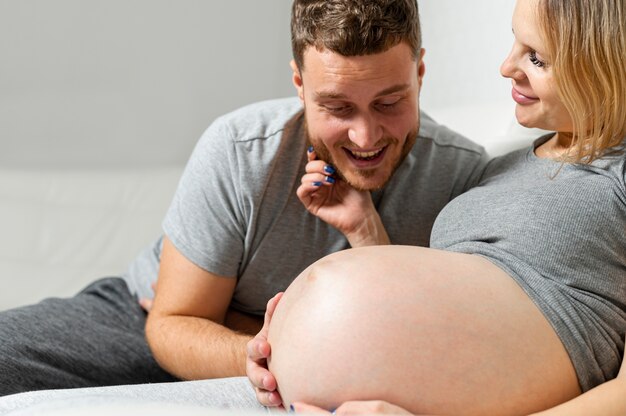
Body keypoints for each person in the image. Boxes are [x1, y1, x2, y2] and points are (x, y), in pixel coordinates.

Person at [0, 0, 487, 396]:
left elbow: (413, 345)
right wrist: (269, 350)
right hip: (144, 314)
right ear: (299, 84)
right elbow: (175, 321)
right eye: (337, 107)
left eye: (389, 103)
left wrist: (365, 231)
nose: (364, 136)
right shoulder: (240, 150)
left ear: (420, 73)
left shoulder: (461, 176)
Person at [248, 0, 626, 414]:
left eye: (536, 58)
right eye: (514, 42)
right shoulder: (502, 166)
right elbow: (440, 321)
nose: (506, 67)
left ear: (603, 63)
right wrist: (362, 228)